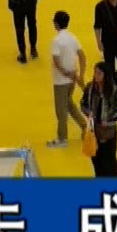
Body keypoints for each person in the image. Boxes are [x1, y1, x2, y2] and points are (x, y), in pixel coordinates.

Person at [47, 10, 88, 148]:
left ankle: (62, 138)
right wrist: (80, 75)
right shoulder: (73, 38)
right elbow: (82, 56)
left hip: (61, 81)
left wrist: (64, 72)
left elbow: (56, 60)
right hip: (72, 80)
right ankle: (84, 125)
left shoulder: (56, 41)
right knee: (69, 105)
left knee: (61, 110)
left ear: (56, 23)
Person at [80, 62, 117, 177]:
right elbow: (83, 104)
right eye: (95, 72)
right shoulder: (90, 88)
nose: (96, 76)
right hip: (94, 131)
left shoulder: (113, 90)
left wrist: (109, 122)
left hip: (108, 133)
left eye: (99, 73)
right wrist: (88, 112)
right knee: (96, 161)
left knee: (109, 161)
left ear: (105, 75)